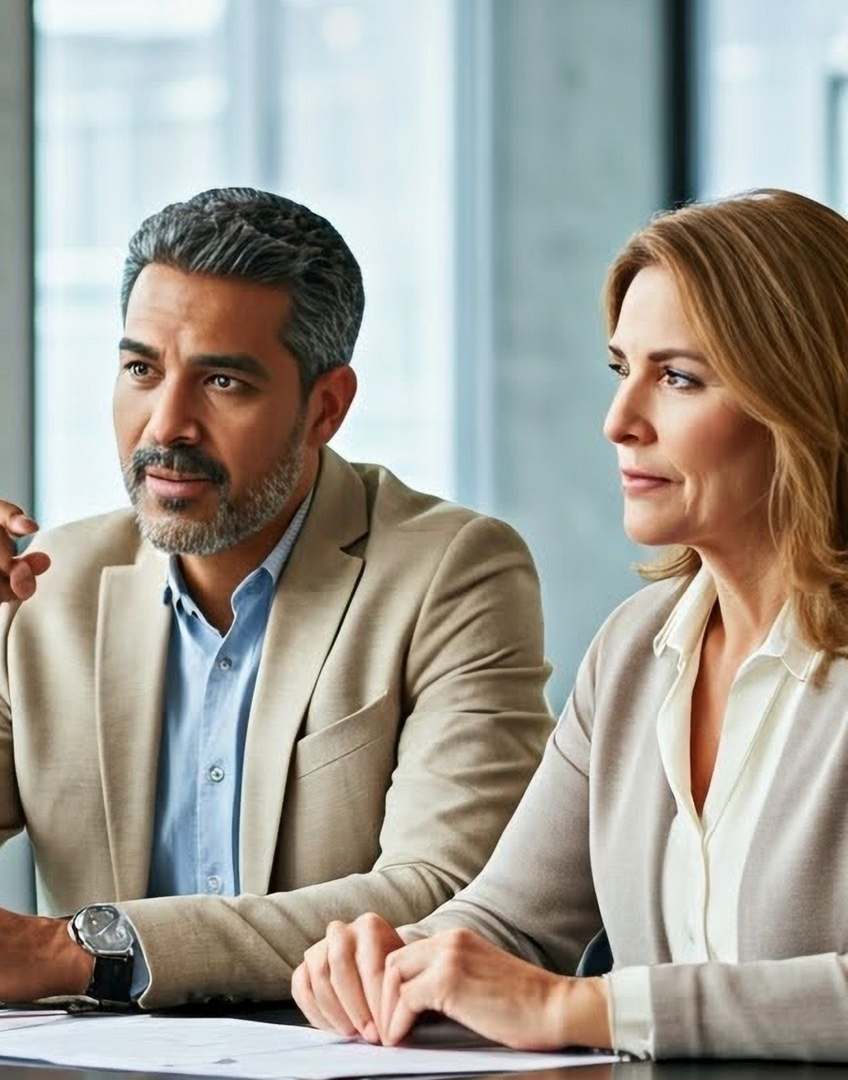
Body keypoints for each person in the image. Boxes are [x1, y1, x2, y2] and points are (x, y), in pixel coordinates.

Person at [0, 187, 557, 1008]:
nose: (167, 425)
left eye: (223, 381)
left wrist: (87, 951)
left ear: (324, 407)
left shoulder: (453, 573)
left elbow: (446, 896)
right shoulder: (46, 594)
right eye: (141, 370)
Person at [293, 188, 848, 1061]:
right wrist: (390, 960)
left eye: (679, 377)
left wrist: (585, 1011)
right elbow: (511, 919)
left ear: (804, 399)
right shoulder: (634, 650)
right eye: (620, 369)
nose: (620, 422)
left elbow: (555, 998)